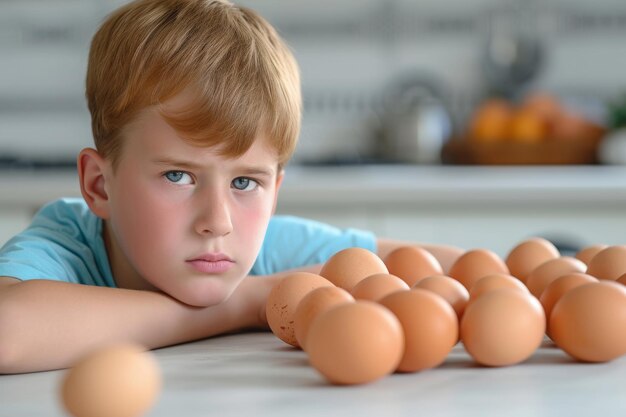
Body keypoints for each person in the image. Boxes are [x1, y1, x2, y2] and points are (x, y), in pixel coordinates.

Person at [0, 0, 463, 374]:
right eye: (178, 176)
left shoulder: (266, 247)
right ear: (100, 186)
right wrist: (245, 303)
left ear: (275, 190)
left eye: (245, 181)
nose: (217, 222)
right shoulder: (65, 244)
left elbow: (446, 267)